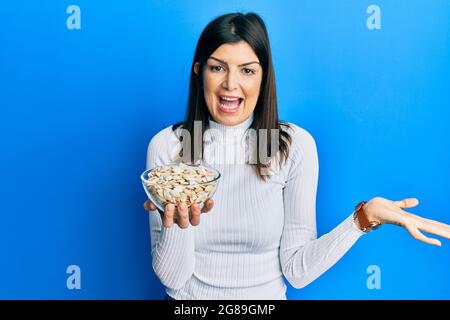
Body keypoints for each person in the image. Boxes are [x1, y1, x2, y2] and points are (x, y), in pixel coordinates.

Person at [143, 12, 450, 300]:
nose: (230, 84)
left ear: (263, 78)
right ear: (199, 71)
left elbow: (297, 271)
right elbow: (173, 278)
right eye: (217, 67)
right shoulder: (168, 148)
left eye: (247, 70)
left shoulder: (294, 146)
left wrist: (362, 219)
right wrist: (177, 224)